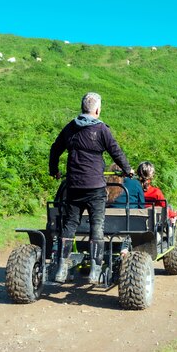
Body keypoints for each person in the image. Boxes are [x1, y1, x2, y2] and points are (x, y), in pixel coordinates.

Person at [49, 92, 133, 283]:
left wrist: (54, 170)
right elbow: (116, 152)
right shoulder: (102, 129)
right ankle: (95, 270)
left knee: (69, 225)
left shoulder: (70, 128)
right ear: (97, 109)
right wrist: (128, 170)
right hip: (95, 187)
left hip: (74, 186)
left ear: (82, 108)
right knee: (97, 226)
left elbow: (55, 148)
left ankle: (62, 267)